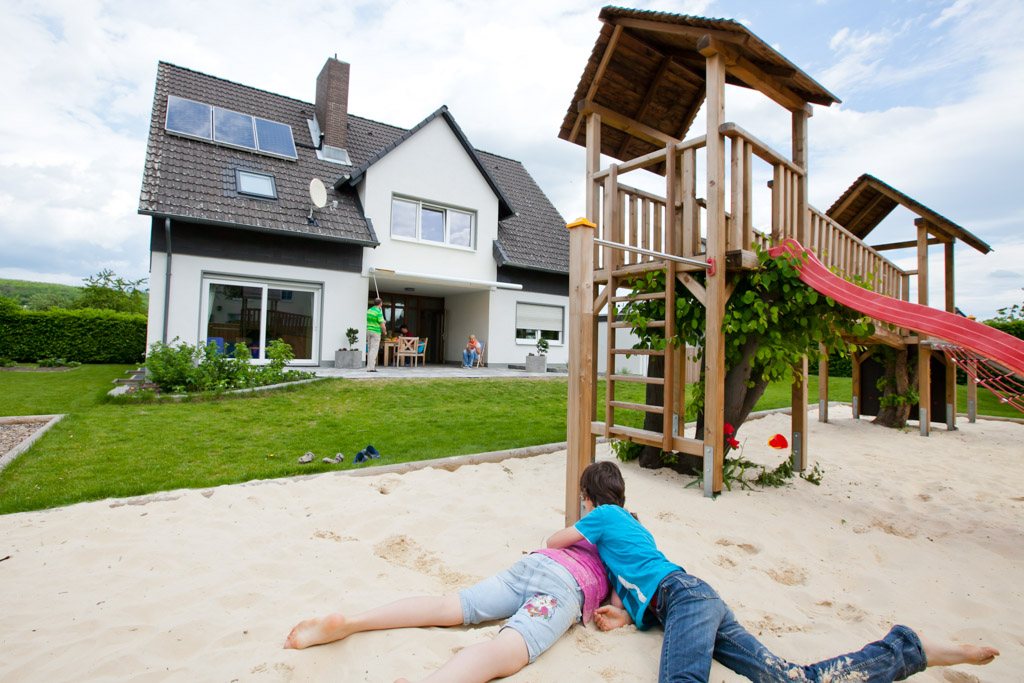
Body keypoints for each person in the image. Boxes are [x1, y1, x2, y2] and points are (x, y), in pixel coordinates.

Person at [547, 461, 1000, 683]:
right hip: (695, 598)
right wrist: (625, 613)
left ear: (590, 495)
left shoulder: (603, 516)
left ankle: (911, 648)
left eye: (583, 496)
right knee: (788, 677)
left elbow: (554, 542)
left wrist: (584, 529)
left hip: (684, 598)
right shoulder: (631, 529)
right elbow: (639, 583)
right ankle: (909, 649)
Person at [284, 531, 610, 682]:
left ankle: (351, 623)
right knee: (504, 651)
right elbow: (623, 604)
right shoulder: (617, 561)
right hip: (567, 587)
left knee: (448, 607)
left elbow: (553, 541)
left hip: (533, 566)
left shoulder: (579, 537)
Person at [366, 297, 386, 372]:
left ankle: (370, 367)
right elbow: (382, 325)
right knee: (373, 350)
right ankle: (370, 368)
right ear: (380, 304)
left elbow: (375, 320)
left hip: (369, 331)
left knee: (370, 349)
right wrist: (384, 331)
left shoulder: (369, 310)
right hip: (376, 332)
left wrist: (382, 321)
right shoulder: (378, 312)